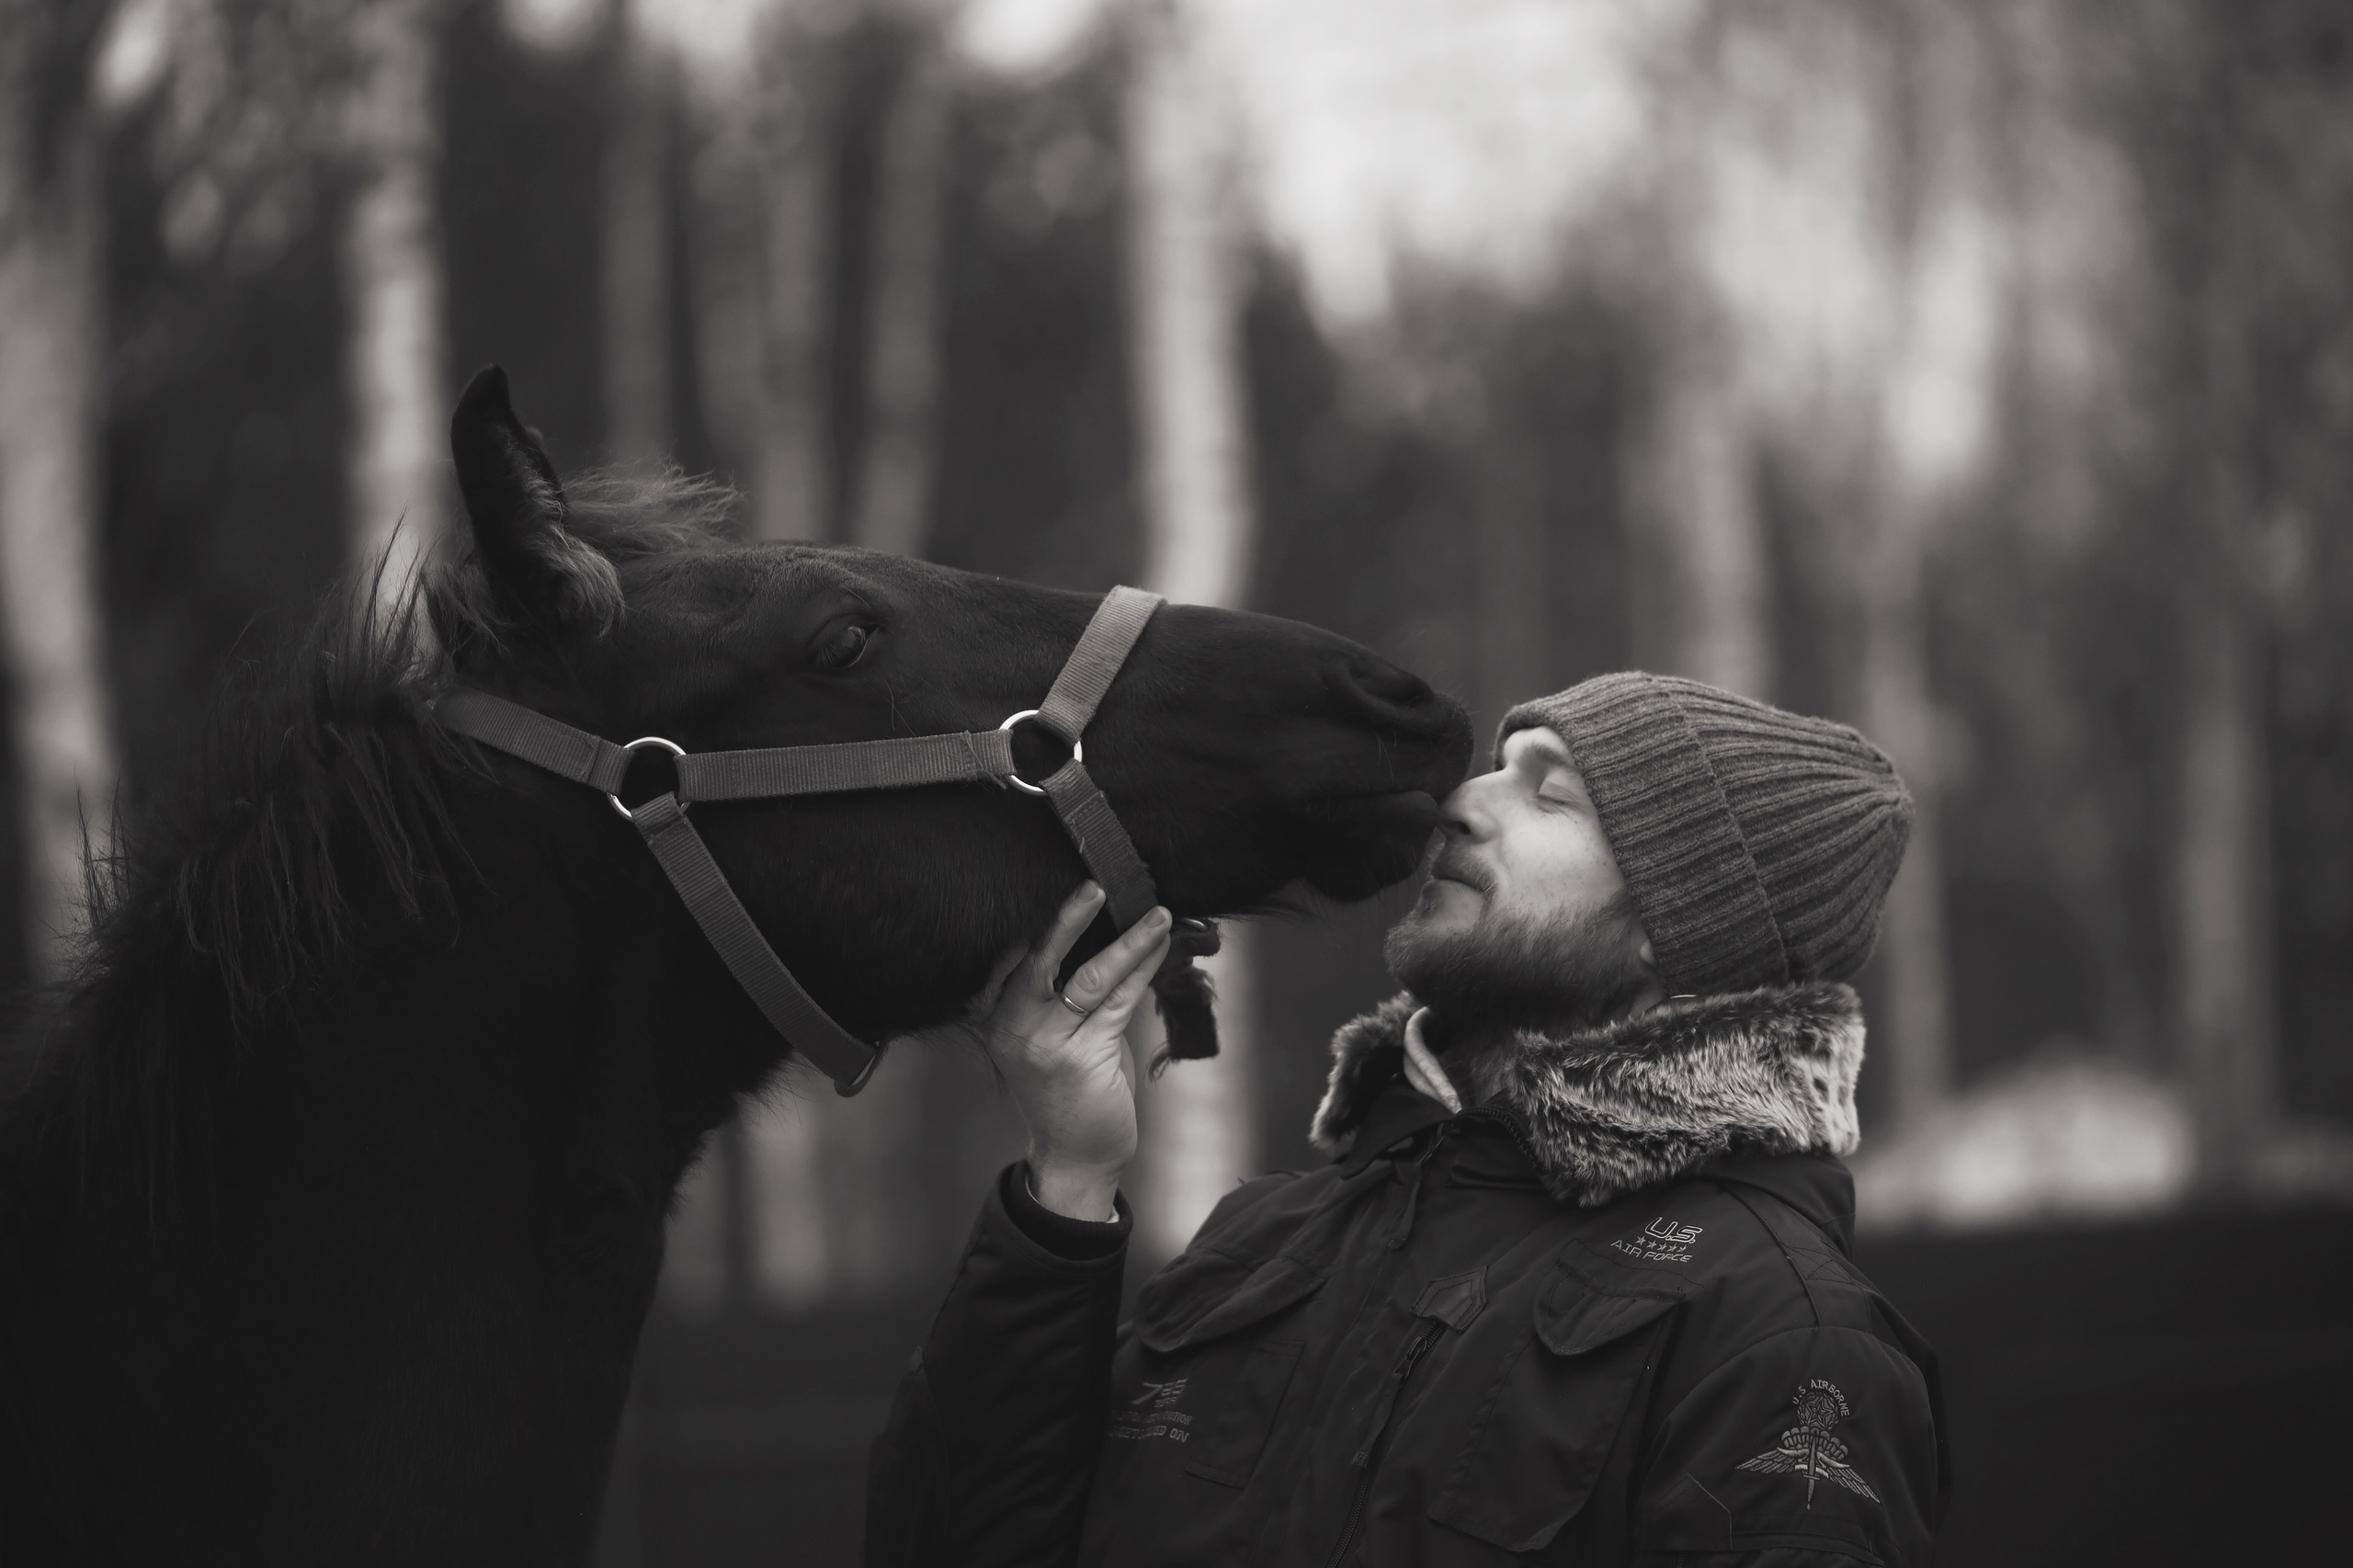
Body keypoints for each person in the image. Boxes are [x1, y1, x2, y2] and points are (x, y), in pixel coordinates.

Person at [864, 673, 1949, 1567]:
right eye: (1495, 765)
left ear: (1681, 927)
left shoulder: (1777, 1326)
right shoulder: (1262, 1243)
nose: (1460, 801)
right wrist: (1067, 1175)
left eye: (1551, 793)